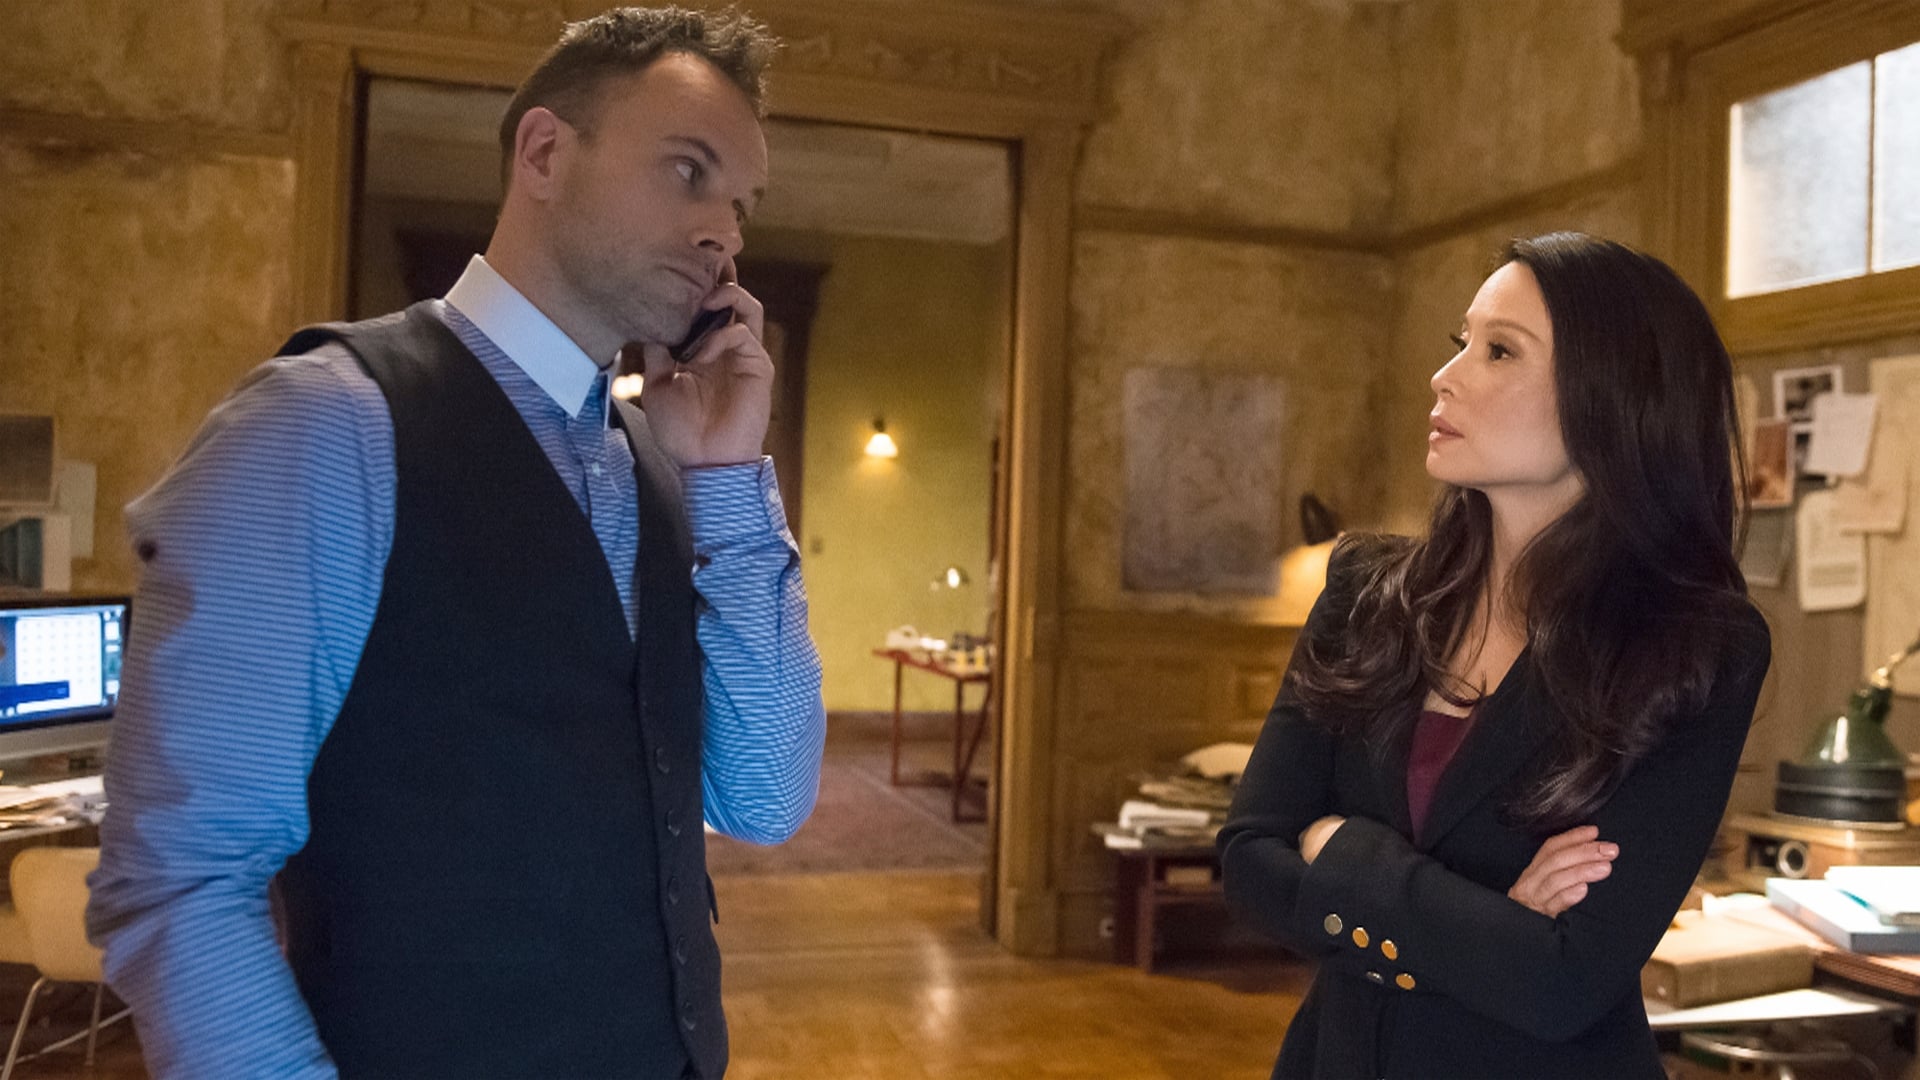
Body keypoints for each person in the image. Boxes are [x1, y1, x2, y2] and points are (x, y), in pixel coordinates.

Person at [86, 8, 824, 1078]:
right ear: (544, 152)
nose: (726, 234)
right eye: (688, 171)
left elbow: (764, 801)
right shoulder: (324, 424)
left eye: (741, 204)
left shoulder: (664, 464)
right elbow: (182, 879)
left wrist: (727, 481)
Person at [1219, 232, 1771, 1079]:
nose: (1445, 377)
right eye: (1462, 342)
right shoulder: (1366, 593)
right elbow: (1249, 859)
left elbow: (1565, 983)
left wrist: (1340, 849)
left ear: (1611, 398)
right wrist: (1487, 923)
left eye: (1500, 351)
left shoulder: (1694, 647)